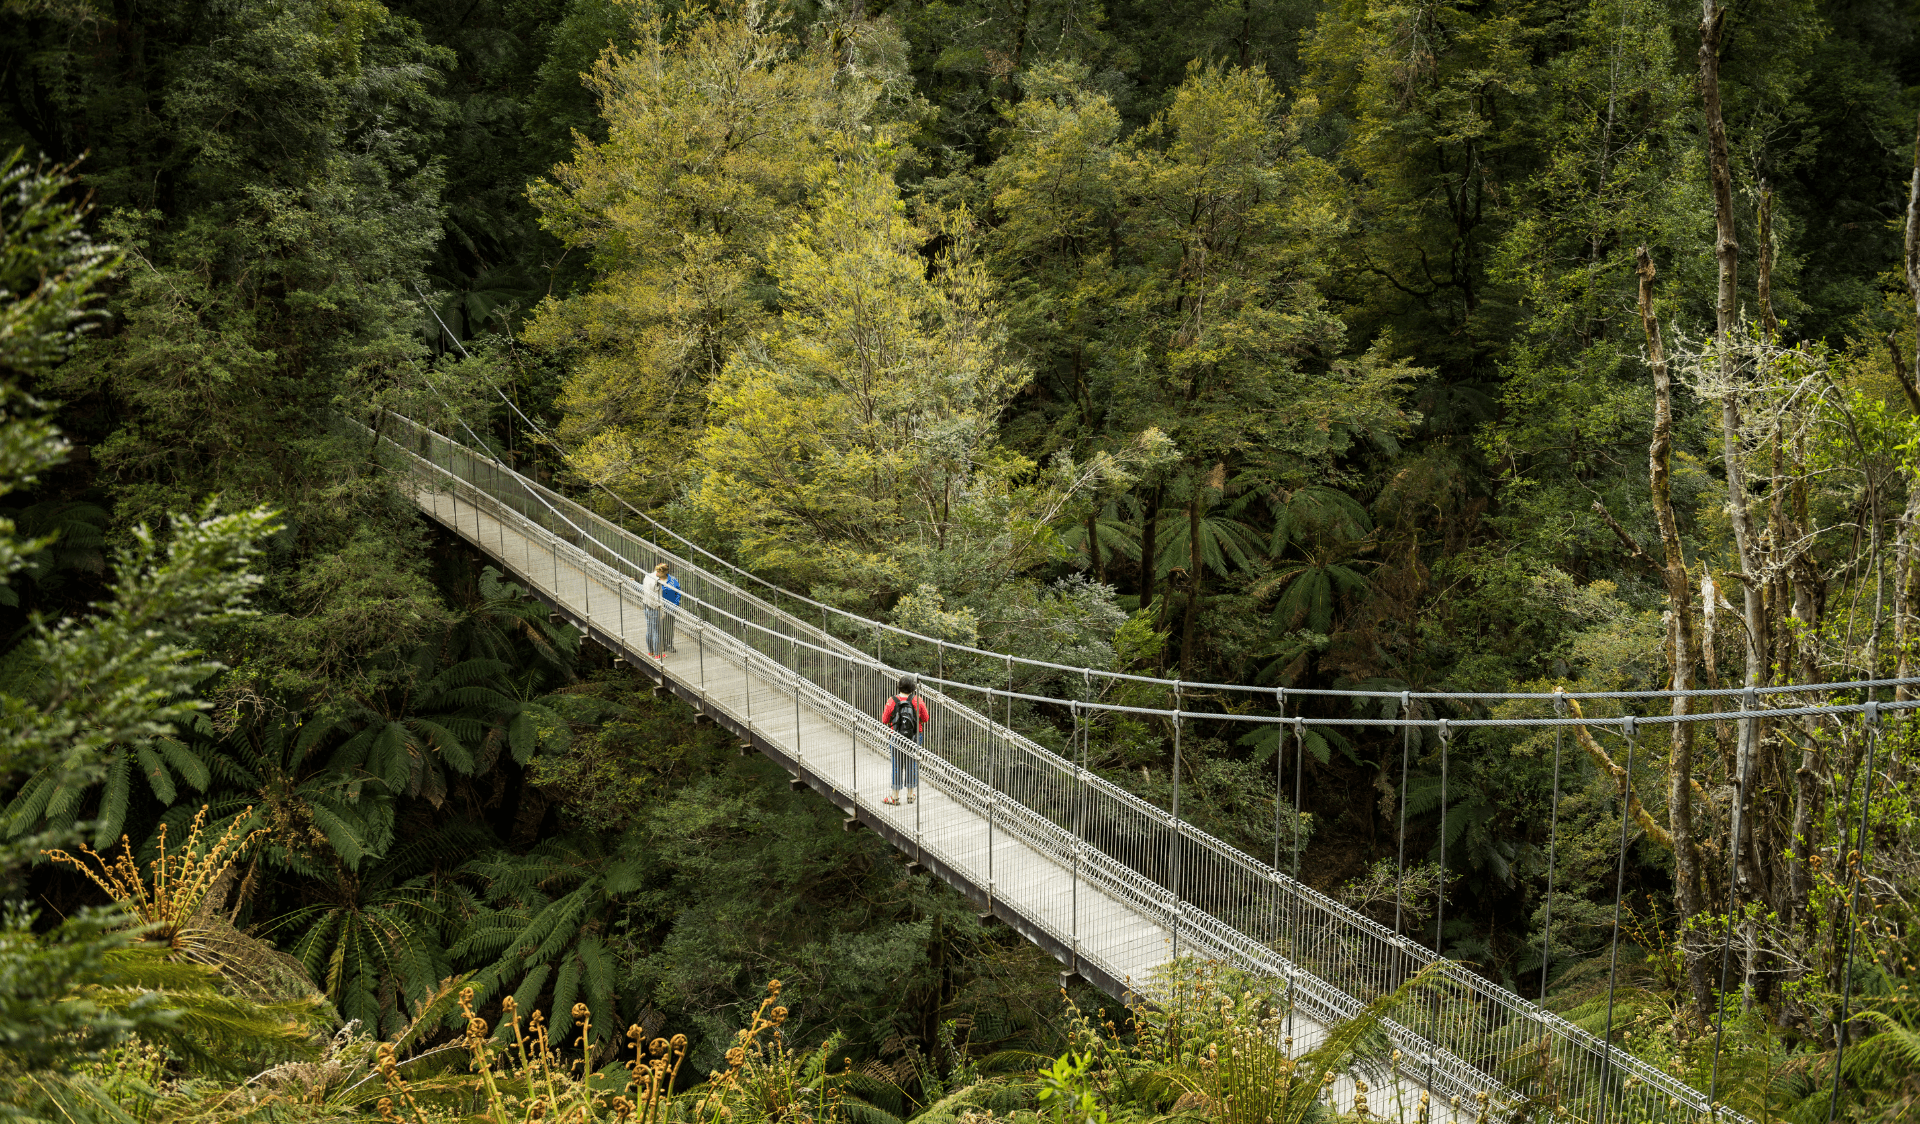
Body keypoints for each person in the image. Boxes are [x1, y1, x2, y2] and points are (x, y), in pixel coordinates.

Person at [880, 675, 929, 806]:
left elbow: (884, 720)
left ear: (899, 686)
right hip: (914, 736)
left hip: (896, 736)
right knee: (912, 763)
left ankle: (894, 797)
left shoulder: (892, 700)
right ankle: (910, 795)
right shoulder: (917, 700)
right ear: (913, 688)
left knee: (897, 765)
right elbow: (925, 718)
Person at [640, 563, 667, 659]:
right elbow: (659, 598)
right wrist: (662, 612)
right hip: (655, 608)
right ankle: (657, 654)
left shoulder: (647, 576)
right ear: (661, 572)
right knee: (656, 631)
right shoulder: (657, 581)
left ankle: (650, 652)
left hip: (646, 605)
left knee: (649, 629)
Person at [660, 564, 681, 653]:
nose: (658, 573)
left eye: (661, 572)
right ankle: (662, 644)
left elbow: (678, 593)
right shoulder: (655, 579)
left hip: (671, 607)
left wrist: (675, 605)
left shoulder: (673, 580)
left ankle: (669, 644)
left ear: (665, 572)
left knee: (669, 627)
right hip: (659, 607)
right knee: (660, 626)